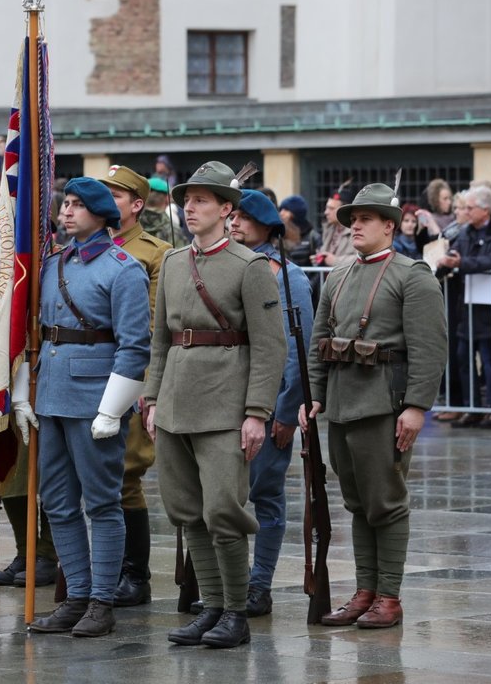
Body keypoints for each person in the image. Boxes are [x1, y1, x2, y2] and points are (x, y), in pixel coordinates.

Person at [142, 161, 287, 649]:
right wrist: (151, 398)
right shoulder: (174, 263)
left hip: (226, 405)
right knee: (187, 511)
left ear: (228, 209)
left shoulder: (250, 267)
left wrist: (257, 413)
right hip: (176, 401)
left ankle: (236, 612)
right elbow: (160, 340)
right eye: (188, 199)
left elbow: (270, 347)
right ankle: (210, 606)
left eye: (203, 200)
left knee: (223, 509)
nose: (190, 207)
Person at [303, 181, 447, 629]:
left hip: (384, 404)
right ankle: (365, 591)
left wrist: (417, 406)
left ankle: (389, 595)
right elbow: (319, 342)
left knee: (386, 502)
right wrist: (314, 395)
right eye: (352, 220)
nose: (355, 226)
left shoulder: (412, 275)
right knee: (357, 503)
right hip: (343, 405)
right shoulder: (340, 276)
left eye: (365, 219)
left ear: (390, 225)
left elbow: (430, 347)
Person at [14, 178, 150, 638]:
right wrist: (22, 394)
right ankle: (76, 595)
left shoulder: (123, 269)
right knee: (55, 502)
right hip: (51, 396)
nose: (66, 212)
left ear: (100, 214)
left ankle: (101, 601)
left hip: (95, 400)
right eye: (65, 204)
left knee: (103, 503)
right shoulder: (54, 264)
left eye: (77, 206)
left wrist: (113, 409)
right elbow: (38, 334)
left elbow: (134, 347)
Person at [228, 190, 313, 617]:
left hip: (270, 404)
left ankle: (259, 584)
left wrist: (284, 411)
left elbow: (299, 351)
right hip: (227, 401)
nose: (235, 223)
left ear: (268, 228)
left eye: (245, 218)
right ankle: (228, 583)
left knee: (266, 495)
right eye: (234, 216)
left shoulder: (288, 277)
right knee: (223, 498)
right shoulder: (227, 267)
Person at [100, 165, 169, 607]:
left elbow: (152, 321)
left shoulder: (156, 253)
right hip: (82, 372)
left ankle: (134, 575)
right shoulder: (83, 248)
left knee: (125, 474)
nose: (107, 202)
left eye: (117, 195)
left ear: (137, 204)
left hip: (127, 371)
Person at [436, 185, 491, 425]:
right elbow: (457, 253)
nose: (466, 212)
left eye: (470, 207)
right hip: (467, 307)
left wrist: (462, 262)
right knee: (463, 357)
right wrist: (446, 261)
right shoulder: (466, 231)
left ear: (485, 209)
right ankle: (472, 408)